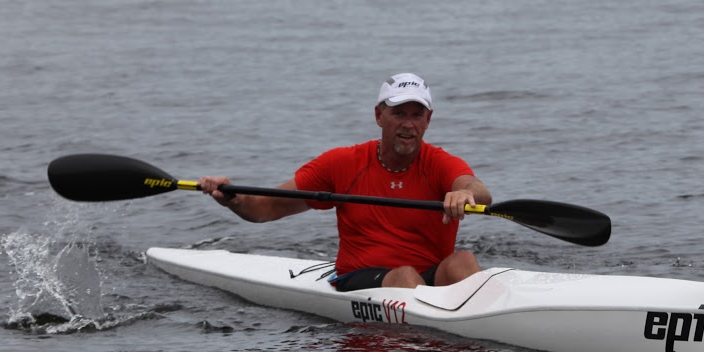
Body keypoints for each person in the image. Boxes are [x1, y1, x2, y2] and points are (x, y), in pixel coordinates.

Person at [198, 74, 491, 291]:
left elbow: (478, 190)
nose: (408, 123)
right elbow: (265, 208)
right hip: (360, 279)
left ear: (428, 120)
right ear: (379, 116)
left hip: (424, 277)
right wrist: (232, 198)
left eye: (417, 115)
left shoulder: (439, 163)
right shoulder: (342, 164)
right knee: (404, 276)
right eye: (398, 113)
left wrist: (465, 194)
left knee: (462, 261)